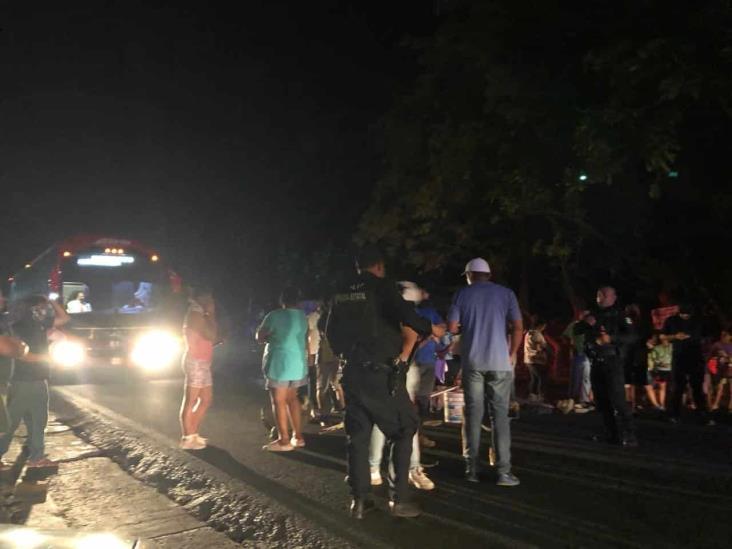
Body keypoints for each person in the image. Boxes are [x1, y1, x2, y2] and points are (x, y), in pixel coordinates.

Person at [328, 245, 444, 519]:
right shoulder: (382, 288)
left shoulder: (341, 292)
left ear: (358, 266)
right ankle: (398, 500)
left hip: (352, 373)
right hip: (380, 374)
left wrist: (348, 355)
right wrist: (432, 328)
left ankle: (359, 501)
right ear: (379, 266)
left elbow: (330, 331)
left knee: (357, 437)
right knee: (404, 429)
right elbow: (409, 317)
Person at [447, 257, 523, 486]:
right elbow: (518, 326)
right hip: (500, 362)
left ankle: (471, 469)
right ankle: (503, 472)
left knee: (472, 414)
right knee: (500, 417)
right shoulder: (506, 294)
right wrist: (511, 352)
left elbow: (451, 327)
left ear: (470, 275)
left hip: (472, 362)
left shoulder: (462, 294)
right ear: (488, 275)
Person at [369, 282, 443, 492]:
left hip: (390, 371)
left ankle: (377, 469)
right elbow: (411, 339)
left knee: (386, 421)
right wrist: (403, 361)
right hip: (398, 373)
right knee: (405, 422)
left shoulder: (381, 312)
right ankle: (410, 469)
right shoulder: (404, 315)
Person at [0, 296, 69, 469]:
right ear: (31, 309)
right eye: (41, 307)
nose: (44, 310)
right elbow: (22, 354)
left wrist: (51, 300)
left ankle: (36, 456)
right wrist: (48, 358)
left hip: (35, 379)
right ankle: (34, 457)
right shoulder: (20, 328)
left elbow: (65, 318)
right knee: (13, 421)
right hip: (26, 380)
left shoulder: (39, 325)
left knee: (36, 420)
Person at [576, 286, 638, 447]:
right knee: (602, 401)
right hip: (595, 361)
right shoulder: (592, 314)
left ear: (613, 297)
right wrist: (585, 322)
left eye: (605, 294)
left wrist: (611, 338)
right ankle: (611, 434)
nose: (600, 296)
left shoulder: (620, 315)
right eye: (599, 293)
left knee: (618, 400)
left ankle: (629, 435)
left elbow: (632, 336)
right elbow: (576, 330)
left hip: (612, 361)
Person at [256, 287, 308, 452]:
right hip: (298, 364)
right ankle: (298, 437)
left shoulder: (274, 315)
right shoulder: (302, 317)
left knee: (278, 401)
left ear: (282, 301)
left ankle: (283, 440)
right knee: (293, 399)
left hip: (279, 364)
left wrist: (268, 336)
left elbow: (260, 336)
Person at [179, 288, 218, 450]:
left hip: (202, 361)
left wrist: (209, 315)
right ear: (200, 297)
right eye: (208, 296)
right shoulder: (196, 314)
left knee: (206, 398)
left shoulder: (200, 313)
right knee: (191, 400)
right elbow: (211, 335)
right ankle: (187, 437)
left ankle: (193, 433)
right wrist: (211, 315)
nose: (211, 300)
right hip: (196, 361)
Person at [663, 305, 712, 424]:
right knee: (678, 387)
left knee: (697, 387)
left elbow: (708, 337)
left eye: (688, 315)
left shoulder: (699, 320)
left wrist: (702, 342)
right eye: (683, 315)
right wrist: (675, 336)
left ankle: (702, 414)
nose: (685, 317)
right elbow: (663, 336)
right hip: (679, 357)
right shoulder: (671, 320)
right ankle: (674, 414)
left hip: (695, 356)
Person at [562, 309, 593, 411]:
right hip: (579, 355)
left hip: (589, 355)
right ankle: (572, 399)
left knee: (586, 378)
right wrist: (571, 346)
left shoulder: (591, 325)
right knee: (576, 378)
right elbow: (564, 337)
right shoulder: (575, 325)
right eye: (584, 316)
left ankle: (583, 400)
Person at [524, 316, 551, 402]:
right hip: (537, 360)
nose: (544, 328)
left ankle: (532, 396)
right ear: (540, 325)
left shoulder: (528, 333)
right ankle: (540, 396)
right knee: (541, 378)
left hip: (528, 359)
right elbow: (543, 346)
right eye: (544, 326)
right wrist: (550, 352)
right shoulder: (537, 334)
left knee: (534, 378)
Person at [646, 332, 671, 410]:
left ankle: (662, 405)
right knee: (649, 387)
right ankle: (657, 405)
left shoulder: (657, 347)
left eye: (655, 339)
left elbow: (656, 359)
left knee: (662, 386)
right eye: (652, 339)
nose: (653, 340)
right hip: (647, 368)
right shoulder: (648, 347)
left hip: (658, 369)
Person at [708, 330, 732, 412]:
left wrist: (728, 358)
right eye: (723, 335)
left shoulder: (731, 345)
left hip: (729, 369)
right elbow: (711, 356)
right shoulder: (717, 345)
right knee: (719, 387)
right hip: (721, 370)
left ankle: (730, 406)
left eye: (727, 335)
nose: (725, 337)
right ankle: (715, 404)